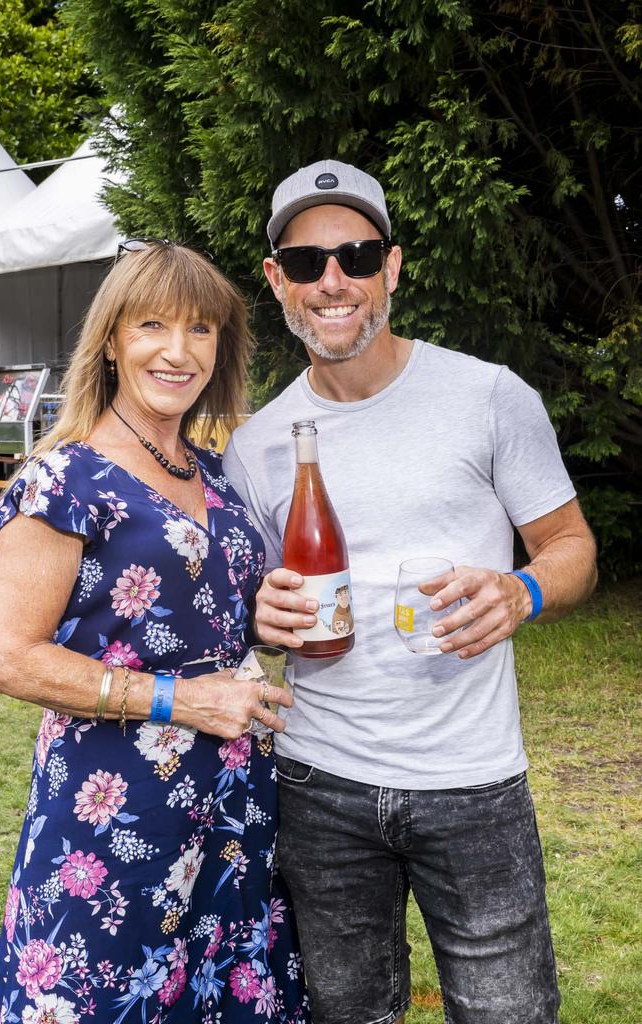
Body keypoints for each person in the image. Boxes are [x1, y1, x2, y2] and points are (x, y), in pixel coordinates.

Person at [223, 160, 598, 1024]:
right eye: (308, 263)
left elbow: (572, 545)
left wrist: (523, 591)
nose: (334, 281)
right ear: (278, 280)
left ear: (391, 267)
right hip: (320, 785)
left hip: (474, 783)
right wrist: (259, 618)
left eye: (356, 255)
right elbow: (249, 613)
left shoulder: (490, 397)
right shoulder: (258, 445)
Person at [0, 240, 310, 1024]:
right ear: (113, 339)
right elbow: (11, 660)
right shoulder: (65, 477)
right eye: (152, 325)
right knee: (107, 998)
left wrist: (275, 615)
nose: (176, 350)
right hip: (112, 809)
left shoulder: (216, 473)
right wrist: (181, 700)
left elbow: (214, 611)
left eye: (200, 329)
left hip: (234, 803)